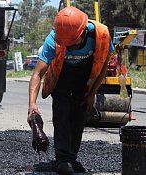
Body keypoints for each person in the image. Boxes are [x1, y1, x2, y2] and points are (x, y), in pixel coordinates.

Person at [28, 6, 115, 174]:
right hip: (62, 77)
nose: (66, 45)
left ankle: (71, 158)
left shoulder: (100, 35)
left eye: (70, 42)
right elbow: (38, 73)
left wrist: (92, 94)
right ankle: (62, 159)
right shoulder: (53, 38)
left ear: (82, 33)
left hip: (84, 77)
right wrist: (32, 104)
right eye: (64, 42)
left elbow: (104, 64)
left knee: (79, 116)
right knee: (62, 112)